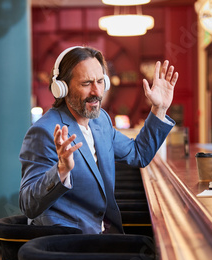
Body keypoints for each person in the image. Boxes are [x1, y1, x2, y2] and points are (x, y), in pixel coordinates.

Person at [19, 45, 178, 234]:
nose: (97, 92)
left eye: (101, 81)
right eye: (86, 83)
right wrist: (61, 171)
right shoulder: (43, 131)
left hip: (103, 232)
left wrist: (159, 109)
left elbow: (139, 154)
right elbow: (28, 204)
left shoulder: (100, 121)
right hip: (68, 244)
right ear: (61, 88)